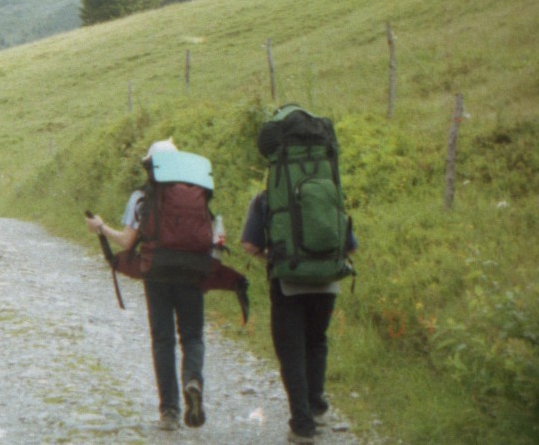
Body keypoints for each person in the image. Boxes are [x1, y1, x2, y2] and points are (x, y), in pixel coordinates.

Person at [87, 138, 223, 432]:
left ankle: (169, 411)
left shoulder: (142, 196)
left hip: (157, 273)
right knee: (193, 336)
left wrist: (101, 227)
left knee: (163, 340)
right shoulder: (196, 192)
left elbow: (127, 241)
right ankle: (193, 379)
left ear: (150, 165)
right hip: (192, 272)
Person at [240, 189, 357, 443]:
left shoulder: (267, 196)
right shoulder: (329, 191)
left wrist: (273, 258)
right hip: (327, 282)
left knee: (291, 351)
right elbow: (351, 246)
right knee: (316, 341)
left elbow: (249, 244)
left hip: (288, 282)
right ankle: (316, 408)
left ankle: (302, 426)